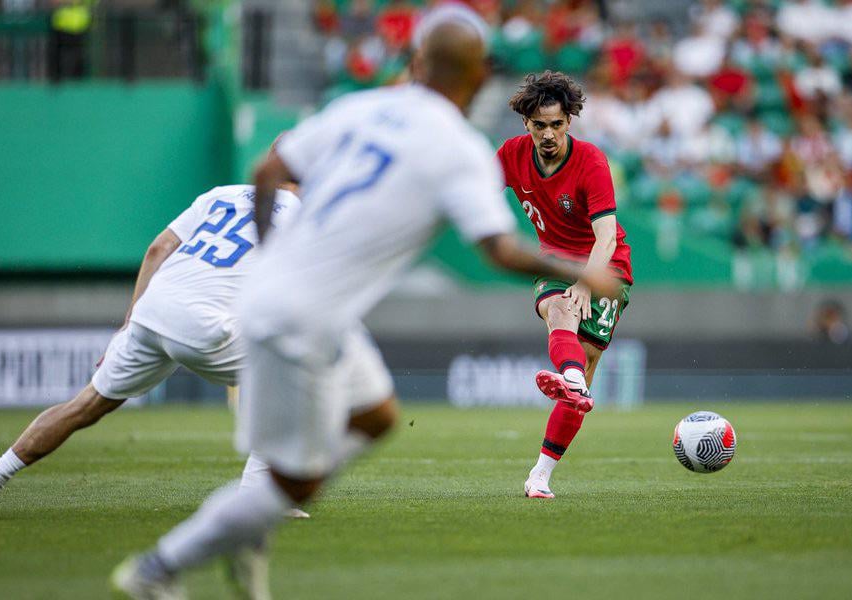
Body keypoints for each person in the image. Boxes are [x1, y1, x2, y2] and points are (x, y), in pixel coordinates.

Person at [111, 6, 620, 599]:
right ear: (478, 79)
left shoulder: (359, 106)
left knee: (377, 416)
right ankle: (168, 563)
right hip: (304, 315)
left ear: (416, 62)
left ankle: (246, 523)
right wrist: (582, 276)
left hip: (284, 299)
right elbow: (499, 250)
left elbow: (267, 169)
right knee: (293, 479)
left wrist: (269, 256)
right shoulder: (454, 146)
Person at [0, 180, 305, 517]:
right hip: (202, 325)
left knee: (84, 405)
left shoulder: (221, 194)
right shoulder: (302, 214)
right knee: (291, 367)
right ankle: (257, 492)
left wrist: (130, 321)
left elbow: (159, 248)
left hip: (152, 309)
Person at [496, 70, 633, 499]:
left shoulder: (591, 161)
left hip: (607, 266)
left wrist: (589, 284)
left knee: (587, 361)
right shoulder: (511, 155)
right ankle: (571, 378)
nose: (549, 134)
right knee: (560, 311)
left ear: (569, 121)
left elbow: (607, 235)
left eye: (557, 124)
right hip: (554, 262)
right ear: (526, 125)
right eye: (540, 126)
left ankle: (541, 471)